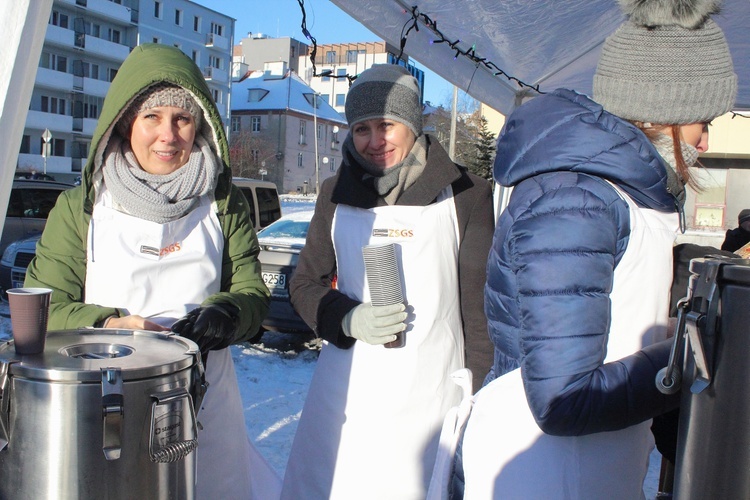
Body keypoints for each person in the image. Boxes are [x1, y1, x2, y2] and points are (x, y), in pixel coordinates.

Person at [458, 0, 738, 498]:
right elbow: (565, 400)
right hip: (544, 469)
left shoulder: (624, 194)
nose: (706, 138)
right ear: (665, 111)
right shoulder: (576, 199)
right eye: (703, 119)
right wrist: (695, 352)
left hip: (593, 465)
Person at [24, 44, 271, 499]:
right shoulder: (82, 206)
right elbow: (42, 306)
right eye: (151, 117)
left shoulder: (222, 201)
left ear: (200, 125)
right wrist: (109, 325)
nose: (168, 135)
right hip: (104, 400)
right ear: (125, 122)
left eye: (182, 119)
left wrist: (228, 313)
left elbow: (252, 290)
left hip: (203, 396)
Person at [279, 64, 495, 499]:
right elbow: (304, 284)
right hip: (348, 395)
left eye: (387, 125)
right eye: (362, 128)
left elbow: (480, 311)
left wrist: (476, 394)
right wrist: (347, 317)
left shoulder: (468, 194)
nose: (375, 141)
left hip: (431, 396)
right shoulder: (333, 192)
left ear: (412, 124)